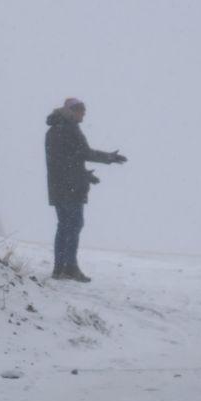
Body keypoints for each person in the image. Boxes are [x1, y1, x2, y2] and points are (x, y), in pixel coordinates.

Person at [44, 97, 127, 282]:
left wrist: (85, 175)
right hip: (71, 188)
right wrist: (109, 157)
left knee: (64, 226)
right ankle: (69, 267)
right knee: (74, 225)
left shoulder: (53, 130)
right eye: (82, 111)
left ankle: (59, 268)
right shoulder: (69, 129)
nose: (84, 115)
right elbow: (83, 153)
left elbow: (65, 161)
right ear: (72, 111)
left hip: (58, 187)